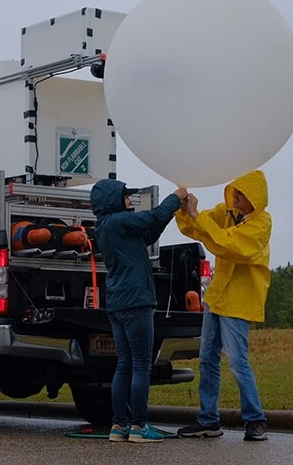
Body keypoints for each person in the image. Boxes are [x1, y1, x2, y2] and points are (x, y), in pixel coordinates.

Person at [174, 170, 271, 441]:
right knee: (207, 360)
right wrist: (183, 210)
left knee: (238, 362)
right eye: (234, 191)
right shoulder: (227, 213)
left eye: (242, 192)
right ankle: (208, 420)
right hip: (218, 298)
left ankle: (255, 420)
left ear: (255, 195)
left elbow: (229, 245)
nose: (236, 196)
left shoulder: (262, 223)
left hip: (238, 301)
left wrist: (196, 214)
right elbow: (197, 229)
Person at [90, 179, 187, 443]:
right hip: (136, 301)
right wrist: (176, 198)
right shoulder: (120, 221)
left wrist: (169, 213)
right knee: (142, 365)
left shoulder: (106, 227)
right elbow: (154, 216)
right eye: (126, 196)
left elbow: (149, 230)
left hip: (117, 304)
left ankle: (119, 426)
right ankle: (140, 426)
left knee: (123, 365)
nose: (131, 201)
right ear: (114, 199)